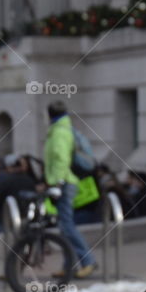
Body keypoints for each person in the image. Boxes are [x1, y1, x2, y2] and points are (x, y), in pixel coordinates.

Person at [41, 100, 97, 278]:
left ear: (50, 115)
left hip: (63, 183)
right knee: (65, 227)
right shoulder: (63, 130)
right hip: (64, 182)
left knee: (67, 226)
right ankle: (69, 266)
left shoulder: (59, 133)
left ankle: (88, 261)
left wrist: (56, 183)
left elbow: (60, 159)